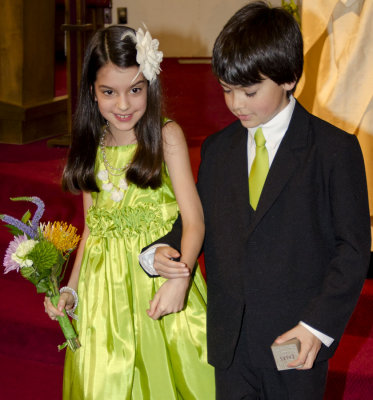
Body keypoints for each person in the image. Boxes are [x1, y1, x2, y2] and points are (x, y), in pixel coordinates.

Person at [139, 2, 371, 399]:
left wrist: (316, 326)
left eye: (249, 91)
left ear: (289, 78)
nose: (236, 105)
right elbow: (198, 221)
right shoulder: (218, 149)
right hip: (231, 343)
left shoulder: (333, 150)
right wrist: (161, 251)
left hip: (294, 341)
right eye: (227, 90)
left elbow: (352, 250)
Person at [44, 25, 215, 400]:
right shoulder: (90, 146)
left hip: (160, 281)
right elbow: (92, 231)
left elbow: (195, 220)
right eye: (109, 92)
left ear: (149, 87)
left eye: (135, 90)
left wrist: (180, 279)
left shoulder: (167, 136)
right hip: (105, 295)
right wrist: (71, 289)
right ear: (92, 91)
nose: (123, 105)